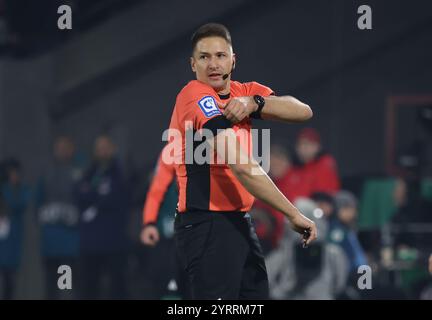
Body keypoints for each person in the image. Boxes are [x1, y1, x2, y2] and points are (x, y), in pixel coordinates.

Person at [156, 23, 317, 299]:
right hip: (206, 225)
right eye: (204, 57)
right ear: (193, 65)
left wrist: (254, 103)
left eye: (220, 55)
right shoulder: (193, 96)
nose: (213, 64)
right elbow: (242, 166)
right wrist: (291, 213)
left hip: (239, 223)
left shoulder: (244, 91)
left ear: (233, 59)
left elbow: (303, 111)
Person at [75, 135, 130, 299]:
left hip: (114, 242)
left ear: (113, 149)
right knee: (89, 288)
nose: (102, 152)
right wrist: (98, 196)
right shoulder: (89, 173)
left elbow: (117, 198)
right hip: (90, 243)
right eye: (99, 148)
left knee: (117, 288)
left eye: (106, 147)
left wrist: (96, 198)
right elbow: (79, 195)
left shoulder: (121, 173)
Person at [35, 136, 84, 299]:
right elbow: (38, 202)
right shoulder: (47, 173)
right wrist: (46, 213)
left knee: (67, 286)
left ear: (72, 150)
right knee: (50, 287)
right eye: (59, 148)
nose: (62, 151)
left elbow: (85, 201)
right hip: (50, 243)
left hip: (70, 244)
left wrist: (74, 215)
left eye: (66, 147)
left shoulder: (79, 172)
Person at [0, 158, 31, 300]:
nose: (14, 175)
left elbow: (19, 203)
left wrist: (10, 187)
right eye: (11, 172)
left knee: (9, 281)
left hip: (11, 242)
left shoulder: (21, 189)